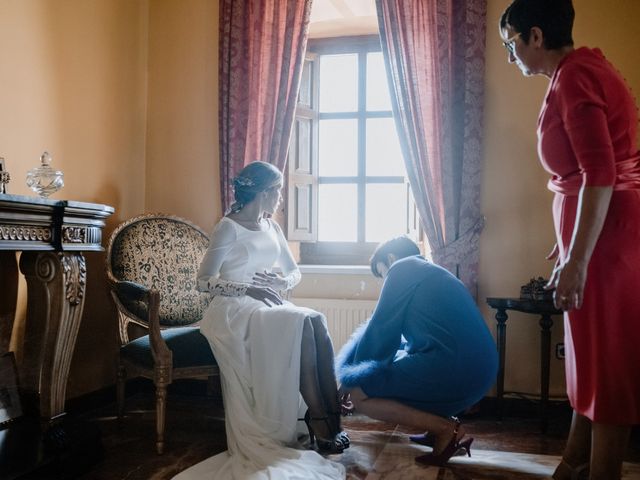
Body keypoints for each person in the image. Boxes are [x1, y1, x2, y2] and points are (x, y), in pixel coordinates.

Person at [500, 1, 640, 479]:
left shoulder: (577, 75)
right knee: (590, 356)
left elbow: (599, 174)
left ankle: (603, 472)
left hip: (608, 241)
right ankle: (575, 460)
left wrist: (578, 260)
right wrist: (568, 246)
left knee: (608, 364)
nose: (511, 55)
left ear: (535, 36)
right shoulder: (575, 72)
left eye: (510, 43)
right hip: (601, 235)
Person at [173, 161, 346, 480]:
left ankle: (331, 418)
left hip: (266, 305)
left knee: (315, 320)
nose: (281, 198)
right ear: (264, 192)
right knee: (299, 323)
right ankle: (319, 420)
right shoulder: (228, 226)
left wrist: (278, 282)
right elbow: (203, 280)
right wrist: (248, 286)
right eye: (278, 191)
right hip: (232, 311)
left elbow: (294, 272)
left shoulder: (273, 227)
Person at [336, 237, 498, 466]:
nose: (384, 281)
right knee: (397, 367)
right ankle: (437, 428)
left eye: (382, 274)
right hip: (481, 371)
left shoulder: (402, 268)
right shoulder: (430, 272)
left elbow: (380, 331)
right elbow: (403, 345)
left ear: (390, 259)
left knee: (360, 395)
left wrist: (351, 379)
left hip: (456, 367)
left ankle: (444, 429)